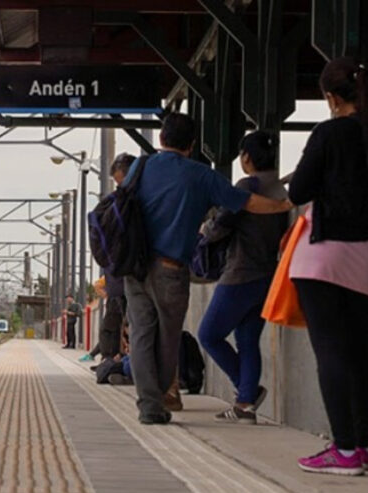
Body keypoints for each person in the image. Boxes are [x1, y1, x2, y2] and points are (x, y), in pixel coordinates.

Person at [124, 112, 293, 425]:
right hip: (173, 269)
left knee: (142, 334)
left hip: (135, 266)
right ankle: (165, 401)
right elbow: (245, 202)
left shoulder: (140, 166)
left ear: (161, 138)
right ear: (192, 144)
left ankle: (149, 405)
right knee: (168, 338)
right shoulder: (202, 175)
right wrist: (285, 205)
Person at [287, 58, 368, 475]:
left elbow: (298, 190)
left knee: (331, 351)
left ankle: (342, 450)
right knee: (361, 353)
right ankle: (362, 445)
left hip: (324, 255)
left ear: (332, 98)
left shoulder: (331, 132)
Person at [197, 131, 289, 425]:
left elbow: (221, 224)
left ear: (246, 157)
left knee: (209, 334)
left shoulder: (247, 186)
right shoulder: (281, 189)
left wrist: (204, 230)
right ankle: (245, 406)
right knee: (248, 340)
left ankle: (248, 391)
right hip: (268, 275)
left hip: (240, 273)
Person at [82, 153, 136, 364]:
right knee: (123, 327)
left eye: (120, 181)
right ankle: (117, 364)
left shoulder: (117, 203)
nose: (120, 187)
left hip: (121, 279)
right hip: (125, 279)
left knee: (125, 327)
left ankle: (118, 365)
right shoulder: (127, 202)